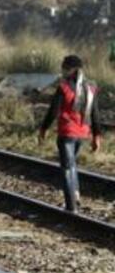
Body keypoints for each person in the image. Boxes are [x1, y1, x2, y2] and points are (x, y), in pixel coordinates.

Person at [37, 55, 103, 212]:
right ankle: (76, 195)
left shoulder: (64, 87)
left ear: (69, 69)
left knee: (67, 168)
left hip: (67, 133)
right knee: (72, 165)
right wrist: (96, 136)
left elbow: (53, 111)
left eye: (63, 68)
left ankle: (71, 205)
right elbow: (95, 114)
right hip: (82, 134)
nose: (62, 71)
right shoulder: (91, 87)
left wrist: (43, 129)